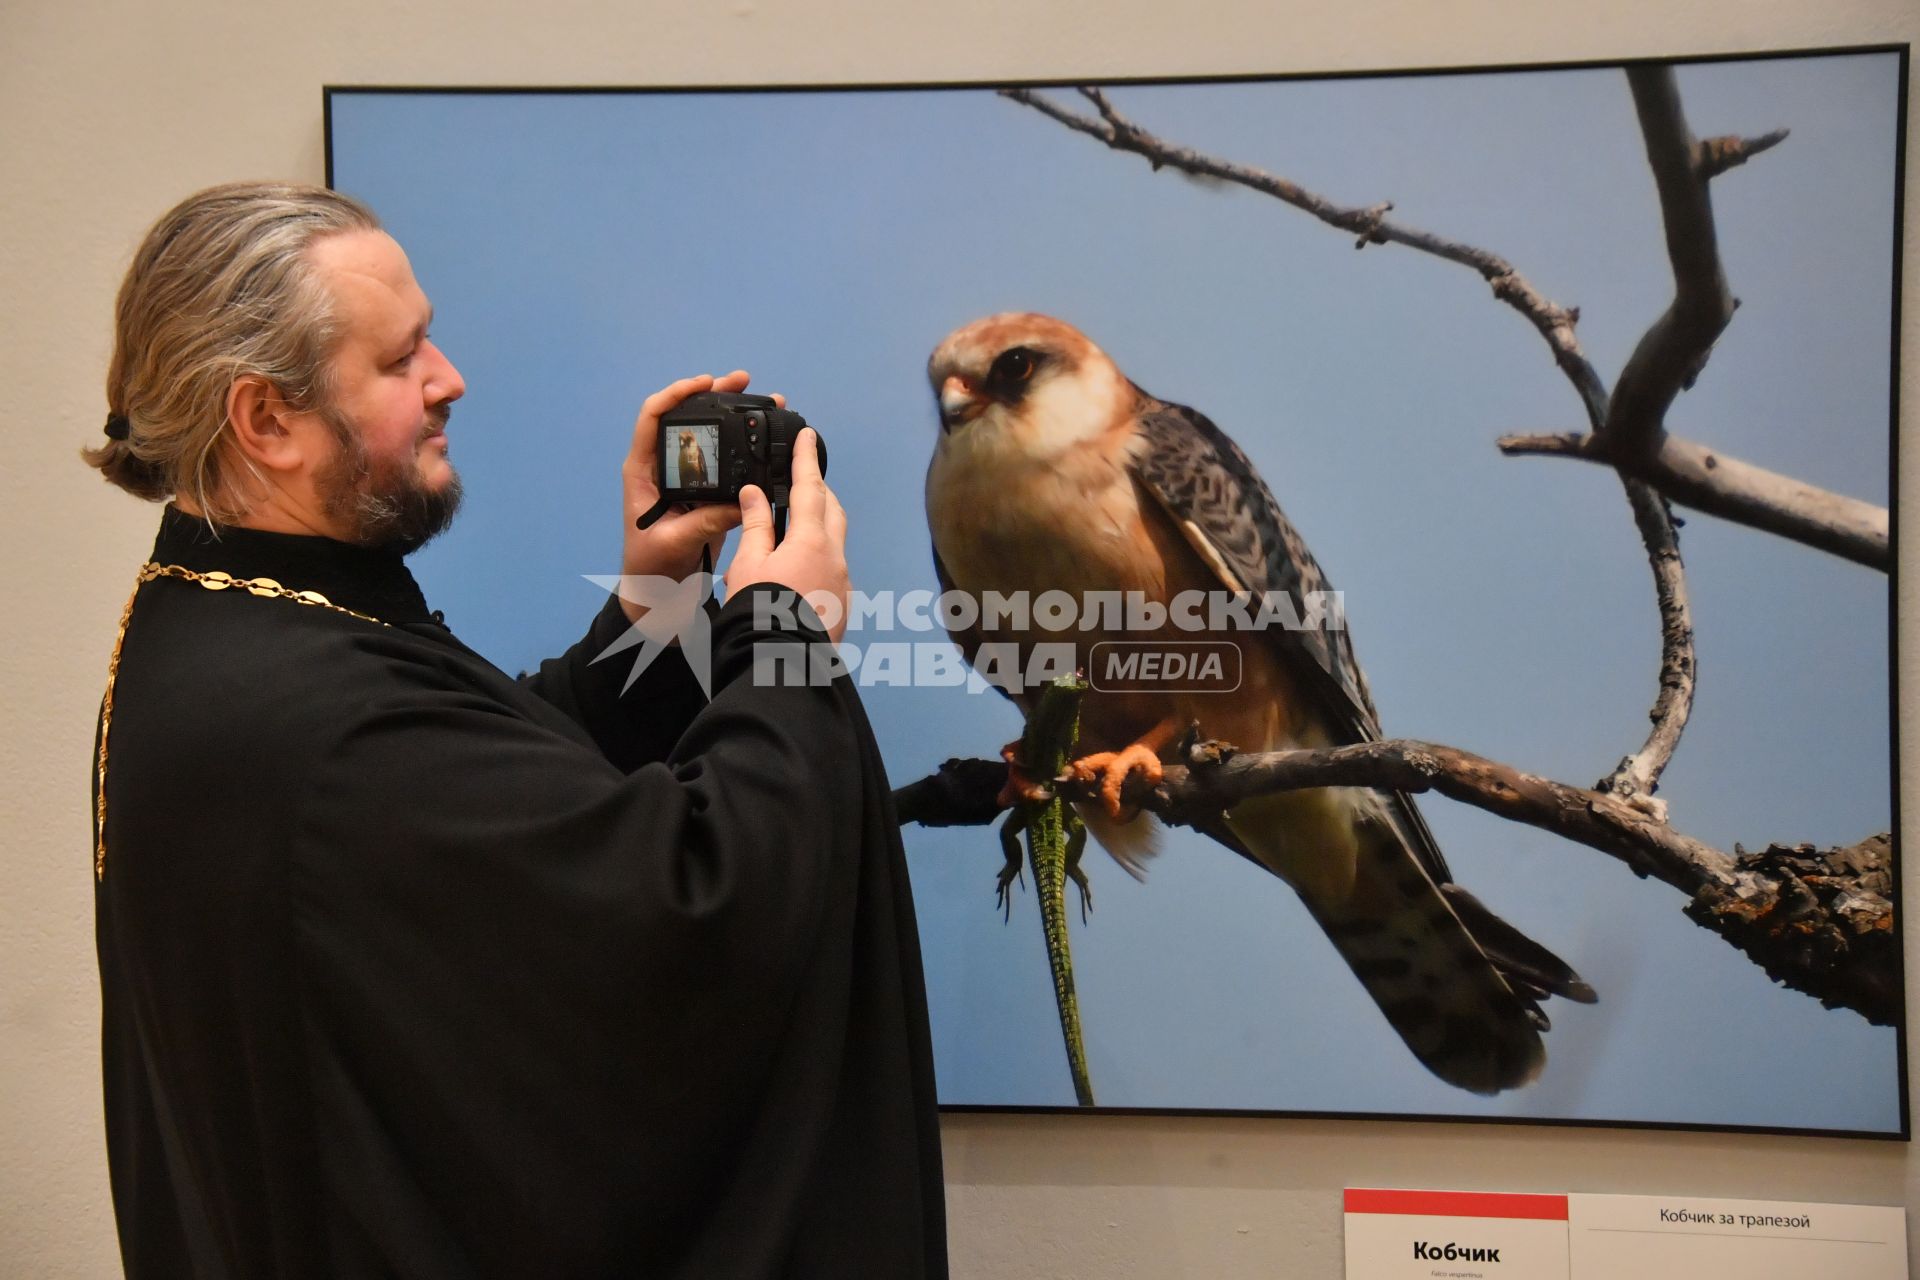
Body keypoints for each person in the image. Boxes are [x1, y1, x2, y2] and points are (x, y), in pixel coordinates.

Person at [84, 181, 947, 1278]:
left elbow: (495, 790)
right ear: (265, 420)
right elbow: (697, 902)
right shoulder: (311, 718)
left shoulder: (220, 616)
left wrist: (662, 598)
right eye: (399, 362)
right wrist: (785, 636)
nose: (450, 380)